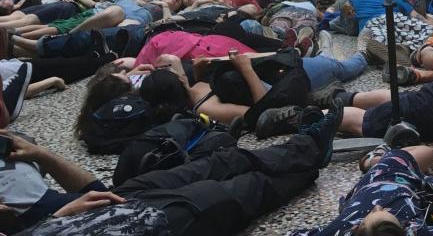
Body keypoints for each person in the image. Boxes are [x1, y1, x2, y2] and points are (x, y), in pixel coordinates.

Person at [0, 107, 343, 235]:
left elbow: (94, 188)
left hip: (93, 207)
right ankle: (310, 156)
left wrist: (42, 156)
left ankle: (309, 147)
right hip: (131, 226)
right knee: (243, 190)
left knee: (217, 163)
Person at [289, 146, 433, 236]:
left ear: (356, 229)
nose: (377, 206)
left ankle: (377, 158)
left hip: (384, 175)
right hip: (422, 192)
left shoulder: (337, 231)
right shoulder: (416, 232)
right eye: (384, 214)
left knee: (427, 153)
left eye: (370, 215)